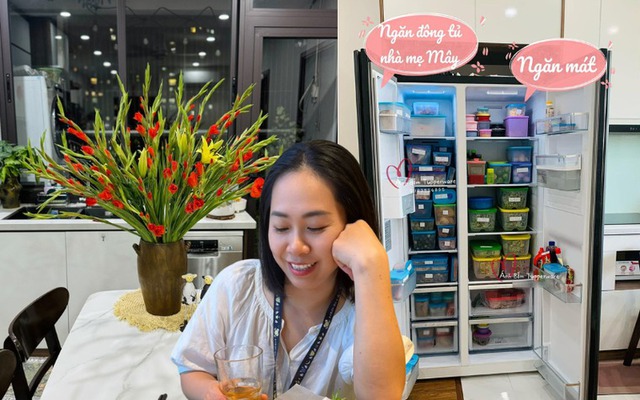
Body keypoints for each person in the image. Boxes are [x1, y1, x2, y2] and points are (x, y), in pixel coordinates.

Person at [171, 140, 406, 399]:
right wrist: (210, 393)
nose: (296, 247)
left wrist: (372, 265)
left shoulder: (362, 312)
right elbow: (193, 368)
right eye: (281, 228)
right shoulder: (236, 285)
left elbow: (383, 396)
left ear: (352, 226)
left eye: (315, 227)